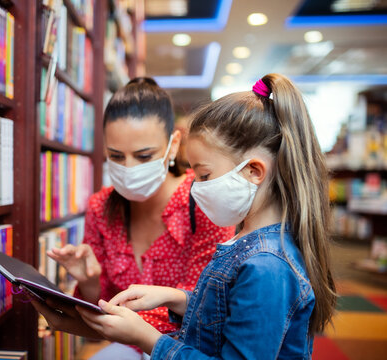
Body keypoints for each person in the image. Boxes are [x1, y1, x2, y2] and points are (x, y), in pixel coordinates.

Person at [75, 73, 338, 359]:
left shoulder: (266, 266)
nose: (195, 188)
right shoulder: (248, 244)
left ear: (253, 172)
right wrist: (176, 297)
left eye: (204, 175)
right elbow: (228, 310)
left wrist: (147, 338)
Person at [45, 77, 235, 359]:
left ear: (172, 146)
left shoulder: (204, 201)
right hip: (129, 349)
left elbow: (207, 305)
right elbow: (98, 305)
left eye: (144, 156)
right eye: (116, 156)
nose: (129, 168)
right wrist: (89, 282)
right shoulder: (100, 207)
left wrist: (129, 329)